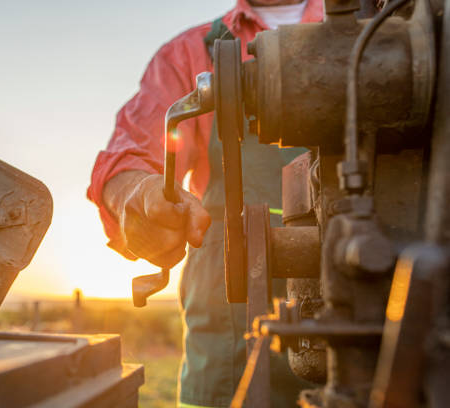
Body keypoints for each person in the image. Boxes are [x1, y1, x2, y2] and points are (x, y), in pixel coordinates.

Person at [88, 0, 324, 406]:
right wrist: (137, 195)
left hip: (374, 305)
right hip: (226, 329)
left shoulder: (384, 30)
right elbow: (128, 158)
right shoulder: (189, 53)